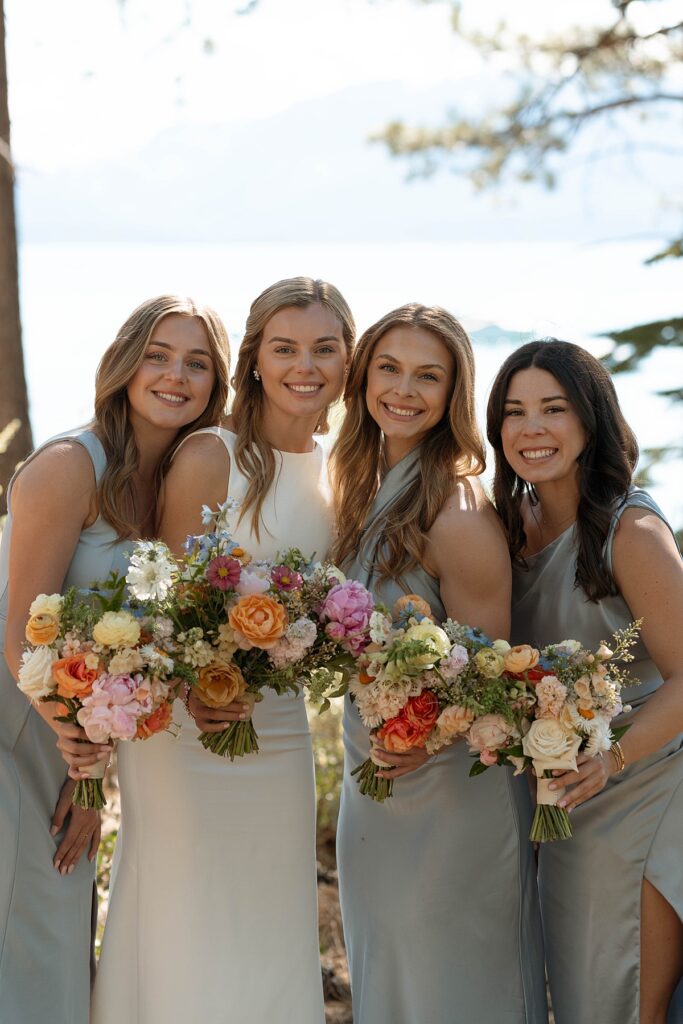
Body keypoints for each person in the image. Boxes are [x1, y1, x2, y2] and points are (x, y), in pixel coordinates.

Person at [91, 277, 355, 1024]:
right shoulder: (213, 455)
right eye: (285, 348)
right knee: (185, 911)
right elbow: (165, 612)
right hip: (184, 730)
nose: (304, 365)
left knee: (269, 918)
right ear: (255, 360)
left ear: (346, 362)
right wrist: (196, 694)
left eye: (324, 349)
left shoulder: (341, 469)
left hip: (280, 730)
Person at [0, 295, 229, 1024]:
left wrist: (94, 776)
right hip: (14, 718)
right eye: (158, 356)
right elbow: (19, 636)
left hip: (71, 732)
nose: (175, 376)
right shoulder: (68, 466)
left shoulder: (180, 485)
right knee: (24, 916)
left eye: (196, 363)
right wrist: (84, 761)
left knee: (57, 916)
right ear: (125, 365)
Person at [331, 304, 547, 1024]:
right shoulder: (366, 487)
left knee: (452, 986)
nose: (403, 389)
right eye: (389, 367)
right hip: (378, 785)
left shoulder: (454, 512)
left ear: (452, 394)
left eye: (428, 375)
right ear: (362, 375)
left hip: (448, 798)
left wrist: (418, 738)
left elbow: (489, 680)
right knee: (389, 977)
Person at [487, 339, 683, 1024]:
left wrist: (611, 759)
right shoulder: (509, 528)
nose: (530, 428)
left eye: (553, 408)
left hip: (642, 792)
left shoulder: (628, 531)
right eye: (513, 411)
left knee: (619, 1002)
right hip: (558, 797)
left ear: (589, 419)